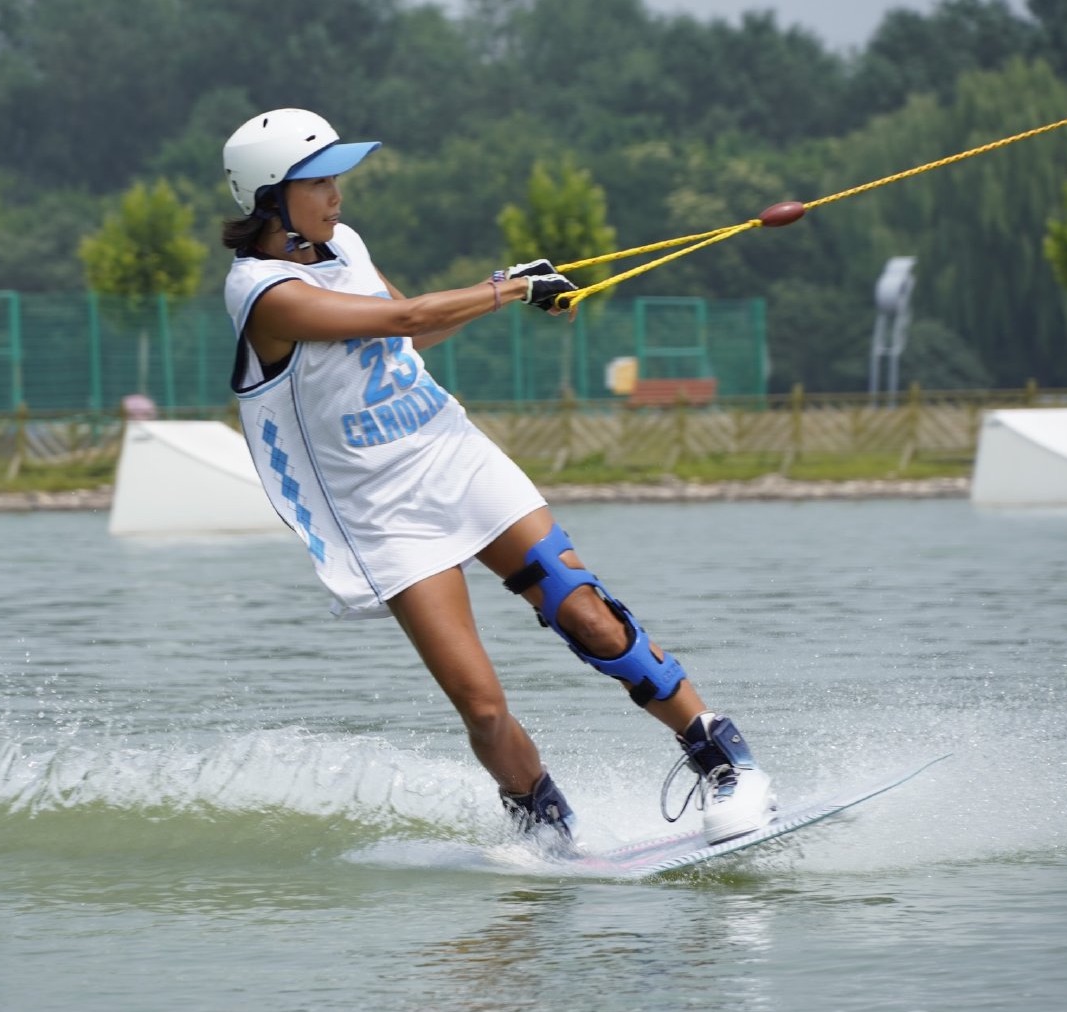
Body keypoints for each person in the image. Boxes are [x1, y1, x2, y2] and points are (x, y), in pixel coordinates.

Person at [220, 109, 774, 845]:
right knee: (481, 707)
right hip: (380, 508)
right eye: (319, 182)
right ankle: (545, 831)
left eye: (337, 179)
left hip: (449, 451)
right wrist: (507, 286)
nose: (337, 196)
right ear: (269, 196)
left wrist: (510, 299)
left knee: (581, 607)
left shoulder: (342, 243)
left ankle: (722, 759)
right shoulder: (261, 292)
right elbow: (397, 317)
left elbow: (412, 331)